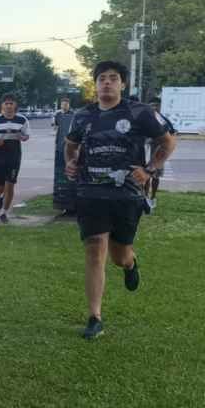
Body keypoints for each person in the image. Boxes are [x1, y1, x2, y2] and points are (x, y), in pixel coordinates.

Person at [64, 60, 175, 340]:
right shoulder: (83, 115)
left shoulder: (140, 112)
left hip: (126, 195)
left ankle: (130, 264)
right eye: (102, 78)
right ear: (95, 84)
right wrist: (71, 162)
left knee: (118, 255)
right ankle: (95, 317)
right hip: (90, 193)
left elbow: (168, 142)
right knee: (95, 248)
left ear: (122, 84)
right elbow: (71, 144)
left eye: (113, 78)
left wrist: (150, 169)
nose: (107, 82)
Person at [0, 94, 30, 223]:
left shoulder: (22, 120)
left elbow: (26, 136)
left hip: (14, 154)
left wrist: (22, 137)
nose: (9, 106)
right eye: (6, 103)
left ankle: (4, 213)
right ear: (2, 105)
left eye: (11, 103)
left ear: (15, 105)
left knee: (10, 184)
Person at [147, 99, 177, 203]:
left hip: (159, 151)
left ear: (159, 107)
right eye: (152, 106)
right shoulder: (145, 119)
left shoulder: (163, 120)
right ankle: (145, 196)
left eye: (156, 106)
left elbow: (172, 133)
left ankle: (153, 197)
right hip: (147, 150)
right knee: (146, 173)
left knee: (156, 174)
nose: (154, 108)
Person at [52, 96, 78, 217]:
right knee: (60, 175)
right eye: (63, 103)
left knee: (71, 173)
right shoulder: (57, 115)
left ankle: (72, 205)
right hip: (59, 148)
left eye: (66, 104)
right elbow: (55, 127)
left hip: (70, 148)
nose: (64, 105)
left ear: (69, 104)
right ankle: (62, 204)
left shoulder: (74, 115)